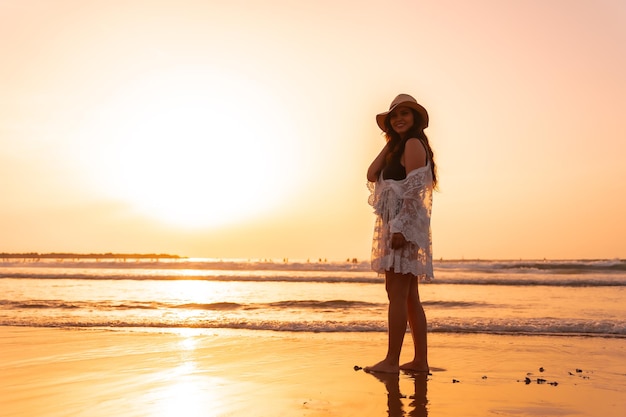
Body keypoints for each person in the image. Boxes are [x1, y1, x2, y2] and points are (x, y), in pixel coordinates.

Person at [365, 93, 437, 374]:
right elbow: (372, 174)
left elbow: (414, 189)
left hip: (402, 226)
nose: (398, 119)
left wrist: (400, 229)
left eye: (405, 114)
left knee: (396, 293)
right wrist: (389, 141)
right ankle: (420, 361)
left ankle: (392, 361)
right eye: (394, 116)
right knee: (408, 297)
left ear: (416, 118)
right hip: (398, 226)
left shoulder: (414, 143)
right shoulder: (401, 146)